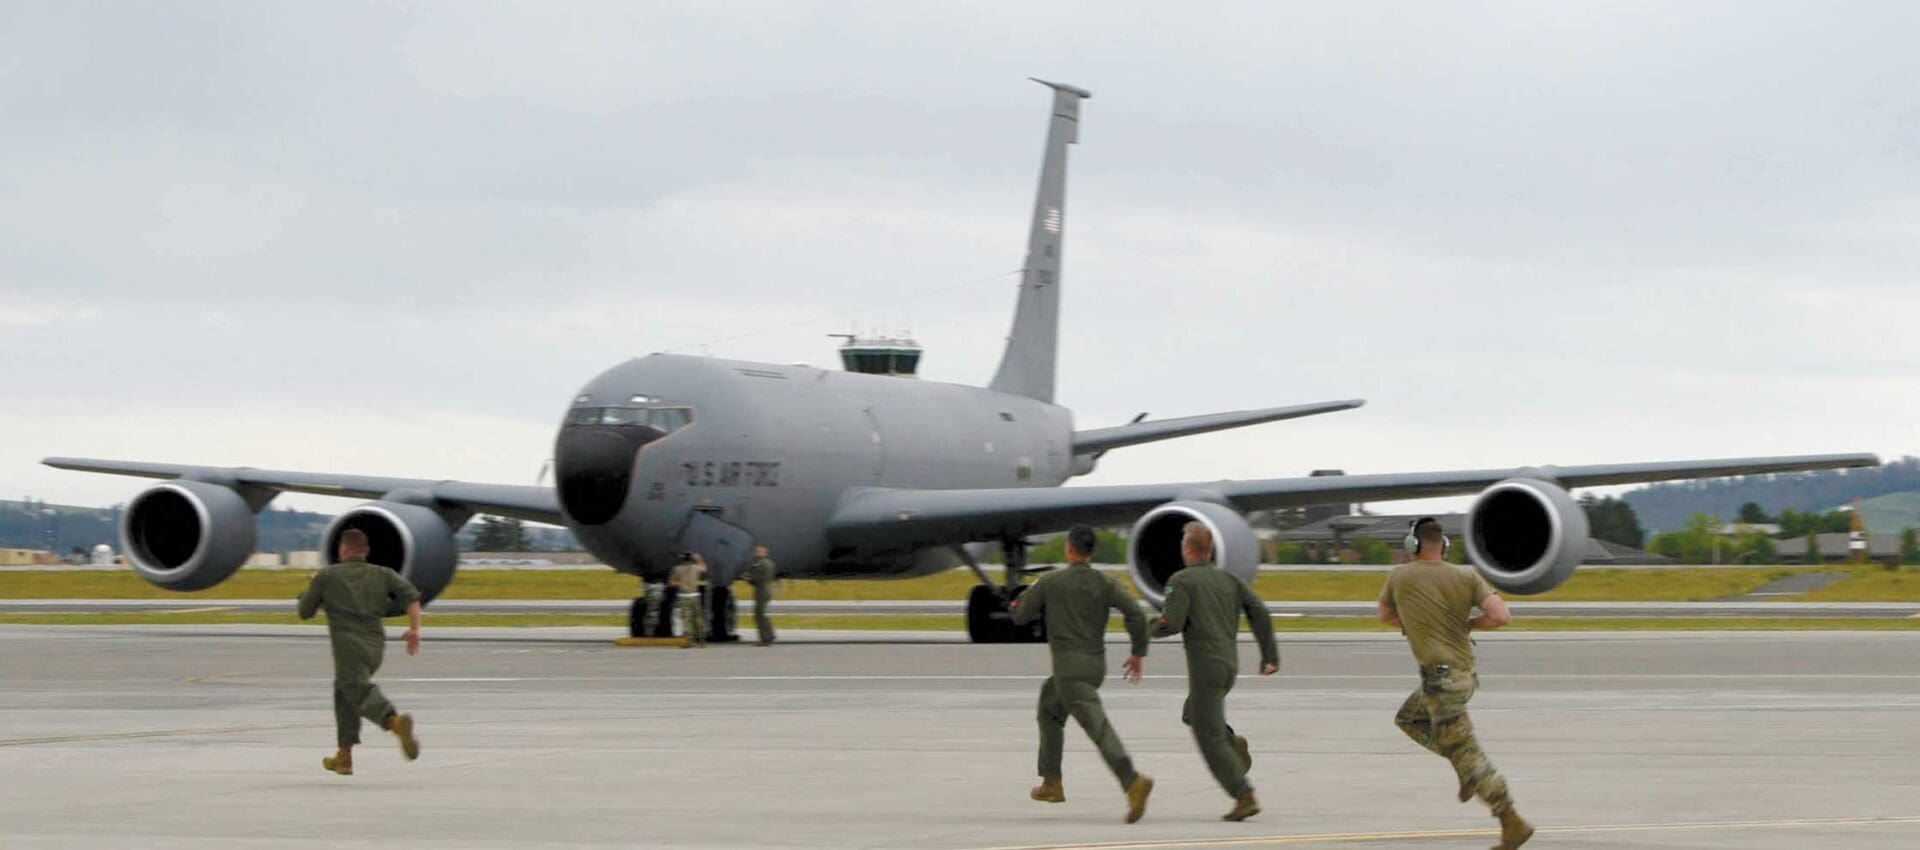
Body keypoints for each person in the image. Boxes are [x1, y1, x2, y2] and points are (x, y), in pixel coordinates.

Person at [1378, 517, 1533, 849]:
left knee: (1466, 751)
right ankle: (1464, 770)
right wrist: (1470, 624)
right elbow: (1502, 616)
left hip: (1441, 681)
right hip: (1464, 677)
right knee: (1409, 717)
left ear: (1412, 546)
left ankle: (1510, 819)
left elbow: (1384, 615)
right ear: (1443, 546)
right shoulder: (1467, 575)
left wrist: (1415, 623)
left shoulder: (1400, 576)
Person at [1010, 525, 1155, 824]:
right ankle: (1052, 782)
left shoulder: (1051, 582)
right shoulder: (1107, 583)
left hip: (1069, 671)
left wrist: (1017, 601)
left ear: (1069, 549)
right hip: (1094, 667)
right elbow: (1136, 614)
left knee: (1097, 728)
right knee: (1049, 707)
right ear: (1093, 552)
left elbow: (1021, 615)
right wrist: (1138, 651)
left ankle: (1132, 781)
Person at [1150, 521, 1278, 822]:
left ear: (1188, 549)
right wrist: (1269, 655)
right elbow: (1258, 609)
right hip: (1228, 666)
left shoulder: (1181, 581)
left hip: (1206, 668)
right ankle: (1233, 744)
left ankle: (1243, 795)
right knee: (1192, 713)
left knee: (1208, 737)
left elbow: (1172, 623)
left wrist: (1142, 630)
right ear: (1209, 549)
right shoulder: (1228, 579)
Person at [296, 528, 423, 776]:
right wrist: (414, 629)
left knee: (357, 690)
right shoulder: (383, 573)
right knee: (344, 691)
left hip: (347, 647)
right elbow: (412, 598)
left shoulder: (327, 576)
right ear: (365, 552)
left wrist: (319, 592)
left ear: (343, 549)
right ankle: (344, 756)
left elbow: (304, 611)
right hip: (375, 647)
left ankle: (394, 722)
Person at [669, 552, 708, 646]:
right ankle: (702, 640)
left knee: (687, 619)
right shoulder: (695, 568)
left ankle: (689, 640)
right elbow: (704, 569)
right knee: (698, 618)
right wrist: (699, 558)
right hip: (695, 595)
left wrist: (681, 584)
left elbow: (672, 582)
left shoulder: (677, 569)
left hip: (684, 596)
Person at [744, 545, 778, 646]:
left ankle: (765, 638)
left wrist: (748, 579)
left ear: (764, 553)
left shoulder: (760, 564)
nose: (756, 553)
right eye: (756, 551)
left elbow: (756, 578)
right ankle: (769, 635)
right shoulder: (770, 563)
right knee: (762, 613)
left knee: (759, 615)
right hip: (766, 589)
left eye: (759, 552)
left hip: (761, 590)